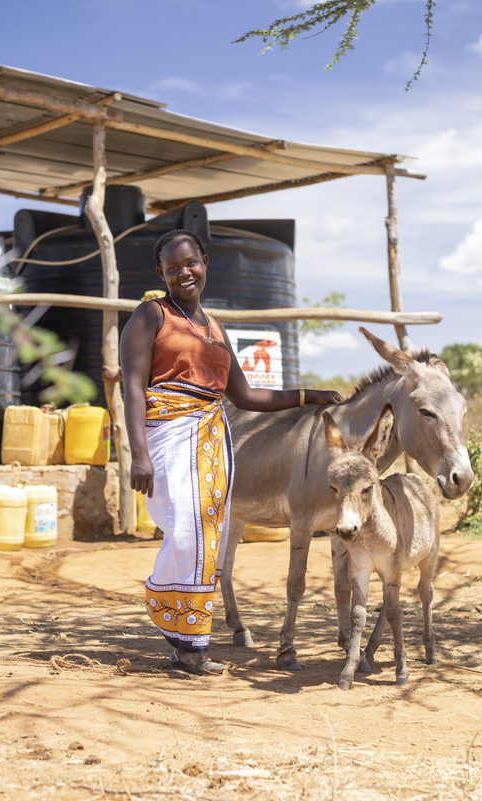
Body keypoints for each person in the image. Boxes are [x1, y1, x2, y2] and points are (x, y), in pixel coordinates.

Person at [120, 229, 343, 675]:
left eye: (190, 263)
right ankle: (167, 607)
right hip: (165, 436)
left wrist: (308, 395)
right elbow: (132, 386)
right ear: (160, 273)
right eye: (172, 267)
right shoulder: (151, 315)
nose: (183, 272)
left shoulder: (216, 328)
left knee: (208, 539)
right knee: (183, 532)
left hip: (210, 445)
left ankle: (190, 648)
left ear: (205, 261)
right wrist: (138, 455)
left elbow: (244, 397)